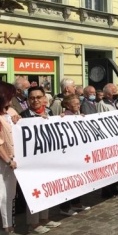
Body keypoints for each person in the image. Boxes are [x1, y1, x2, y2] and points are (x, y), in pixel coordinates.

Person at [20, 86, 61, 234]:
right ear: (28, 99)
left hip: (48, 159)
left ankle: (45, 219)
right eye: (32, 98)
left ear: (44, 98)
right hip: (32, 162)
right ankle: (33, 224)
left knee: (47, 189)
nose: (35, 100)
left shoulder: (49, 112)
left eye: (38, 97)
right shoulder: (23, 116)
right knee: (35, 192)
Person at [58, 94, 91, 216]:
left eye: (79, 103)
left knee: (78, 179)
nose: (78, 105)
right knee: (68, 181)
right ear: (67, 105)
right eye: (75, 103)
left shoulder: (76, 115)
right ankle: (65, 207)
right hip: (68, 155)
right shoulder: (65, 116)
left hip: (78, 154)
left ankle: (76, 203)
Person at [96, 83, 118, 198]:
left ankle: (114, 186)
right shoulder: (102, 104)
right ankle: (106, 190)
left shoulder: (117, 103)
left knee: (117, 165)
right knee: (108, 165)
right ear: (107, 94)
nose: (116, 93)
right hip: (109, 138)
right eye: (114, 91)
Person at [0, 82, 19, 234]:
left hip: (11, 161)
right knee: (2, 196)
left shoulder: (9, 111)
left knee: (10, 195)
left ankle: (9, 227)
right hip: (4, 162)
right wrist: (7, 160)